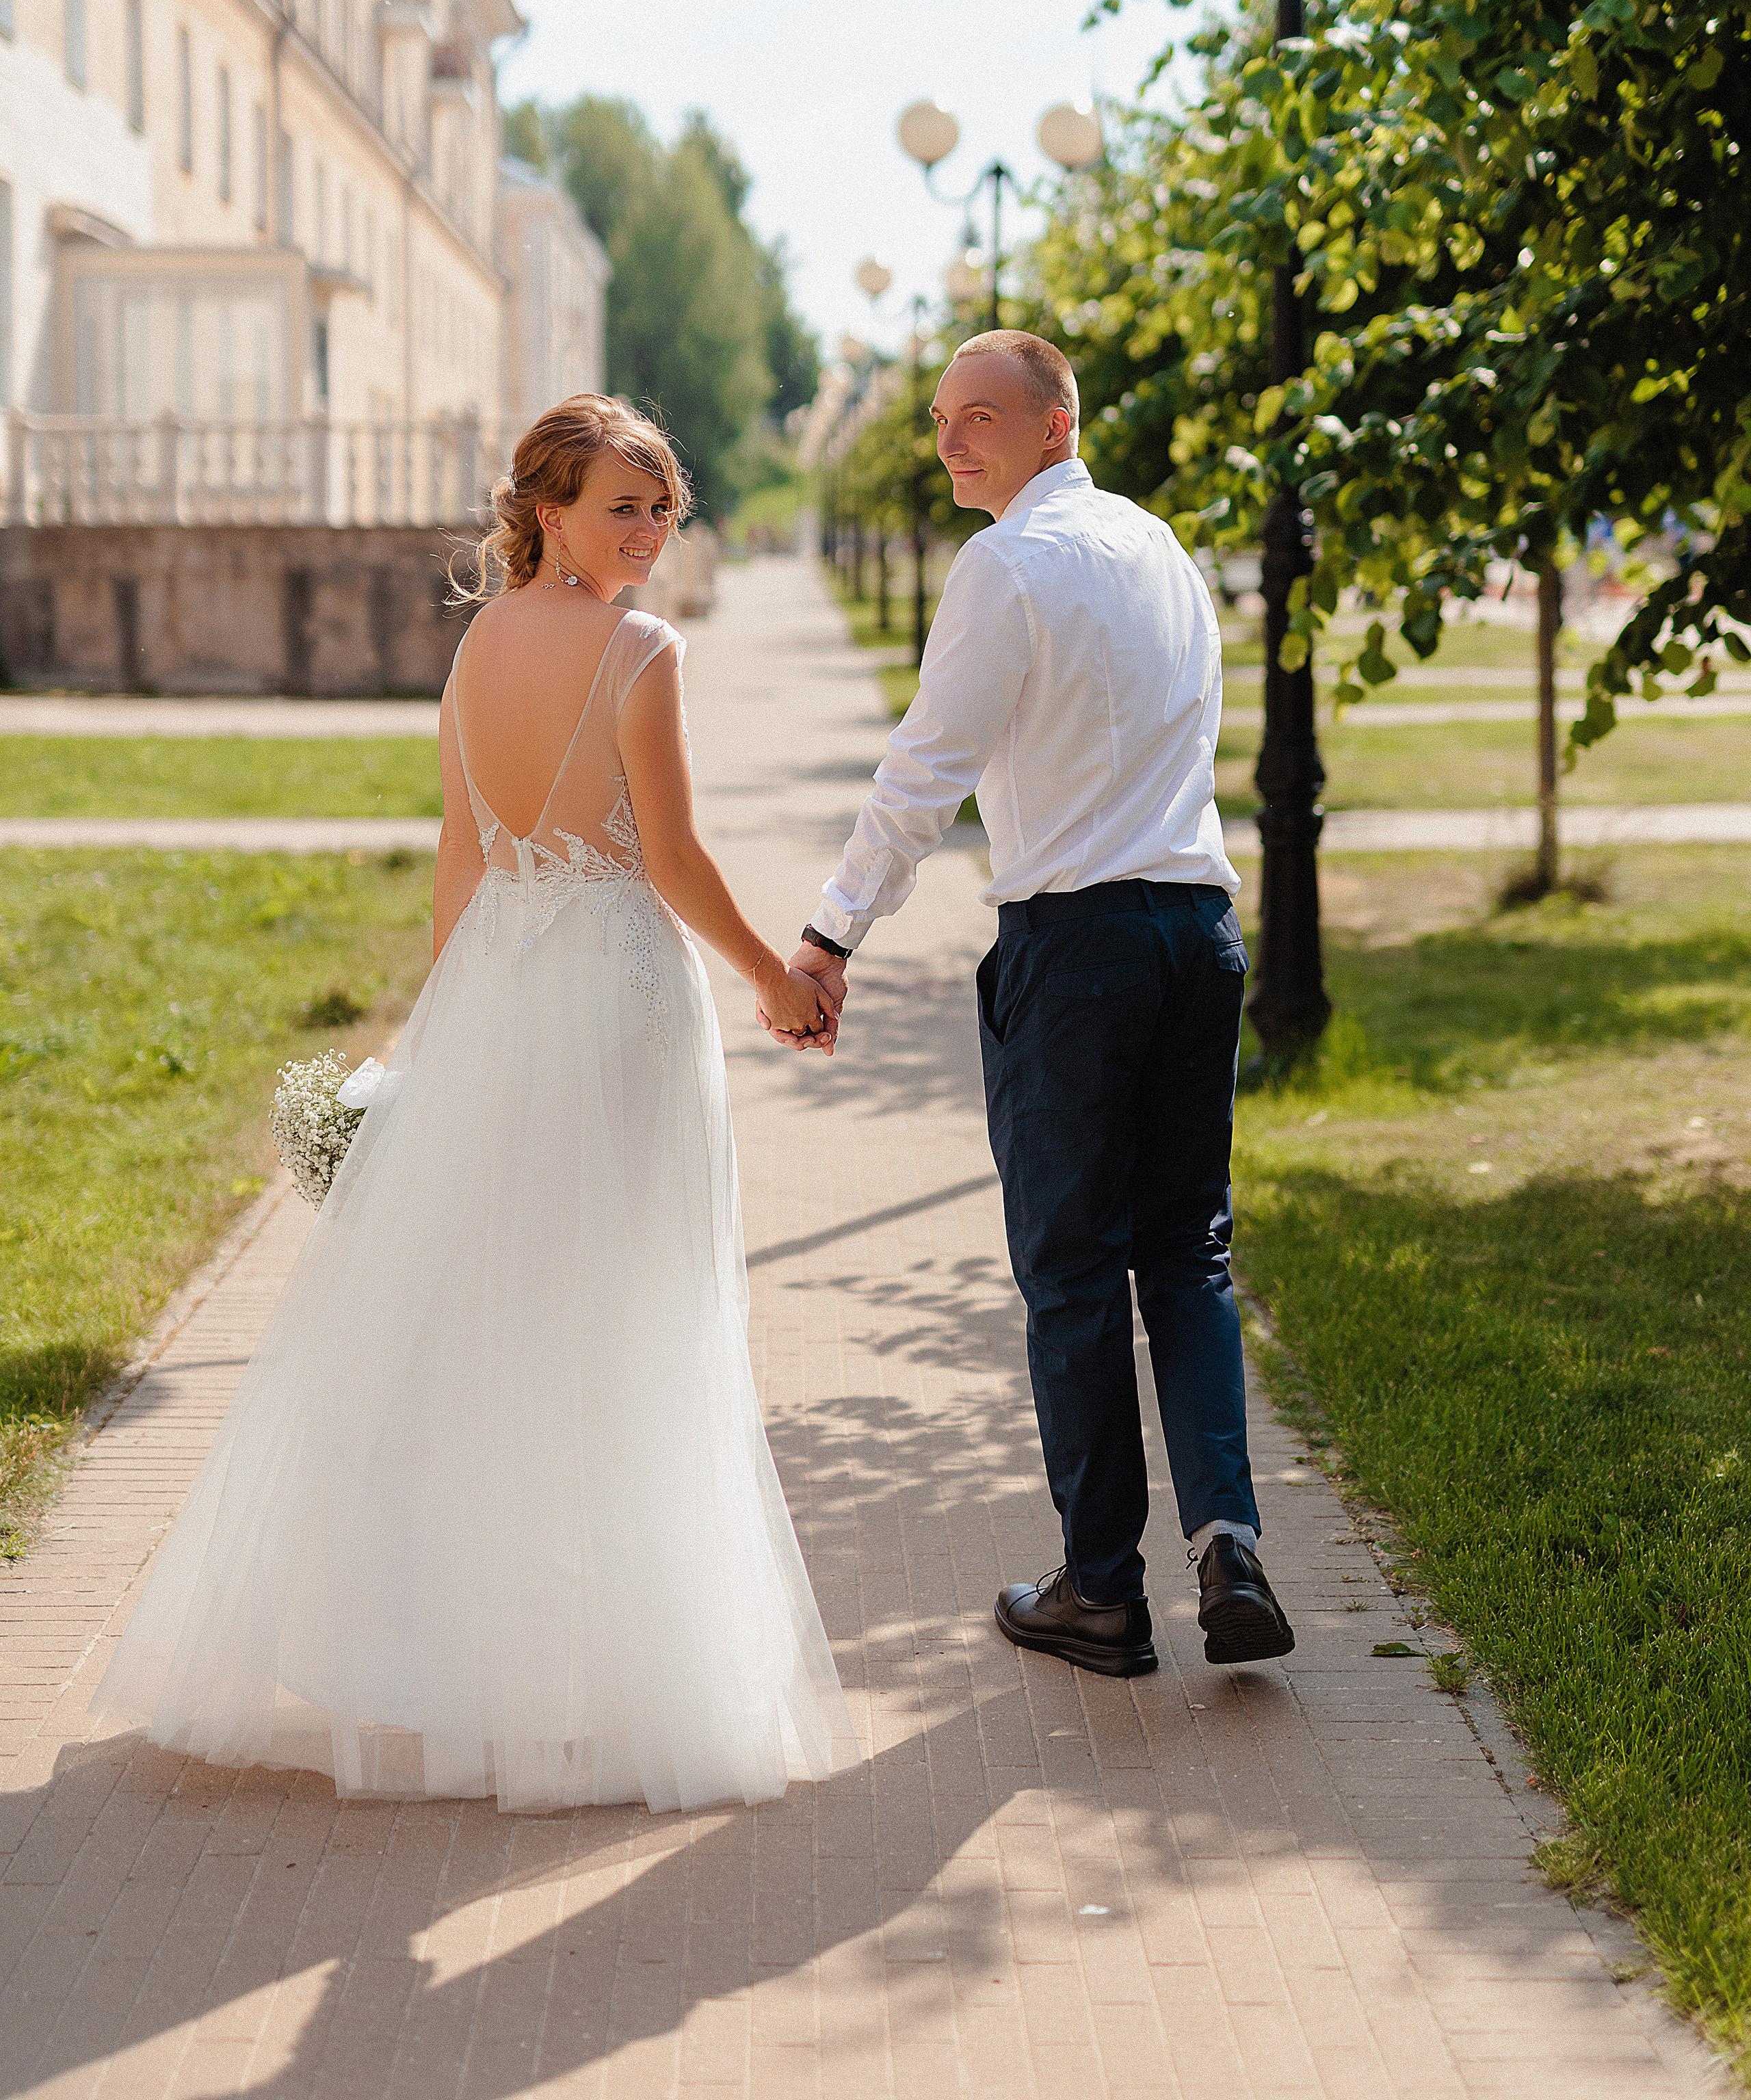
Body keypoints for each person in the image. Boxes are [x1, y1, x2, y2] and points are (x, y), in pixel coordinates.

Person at [94, 394, 858, 1813]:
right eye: (624, 504)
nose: (649, 531)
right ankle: (596, 1667)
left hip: (506, 991)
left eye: (660, 507)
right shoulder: (640, 648)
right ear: (547, 509)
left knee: (490, 1312)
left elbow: (464, 855)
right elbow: (673, 858)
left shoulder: (477, 641)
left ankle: (468, 1651)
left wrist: (440, 1034)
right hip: (615, 1001)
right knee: (621, 1311)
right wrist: (773, 977)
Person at [783, 332, 1294, 1679]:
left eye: (983, 419)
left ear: (1055, 426)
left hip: (1076, 949)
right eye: (944, 420)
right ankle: (1228, 1539)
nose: (954, 442)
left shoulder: (1003, 564)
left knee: (1069, 1264)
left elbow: (924, 767)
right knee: (1183, 1249)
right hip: (1198, 930)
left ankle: (1102, 1591)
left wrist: (832, 931)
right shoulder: (1162, 553)